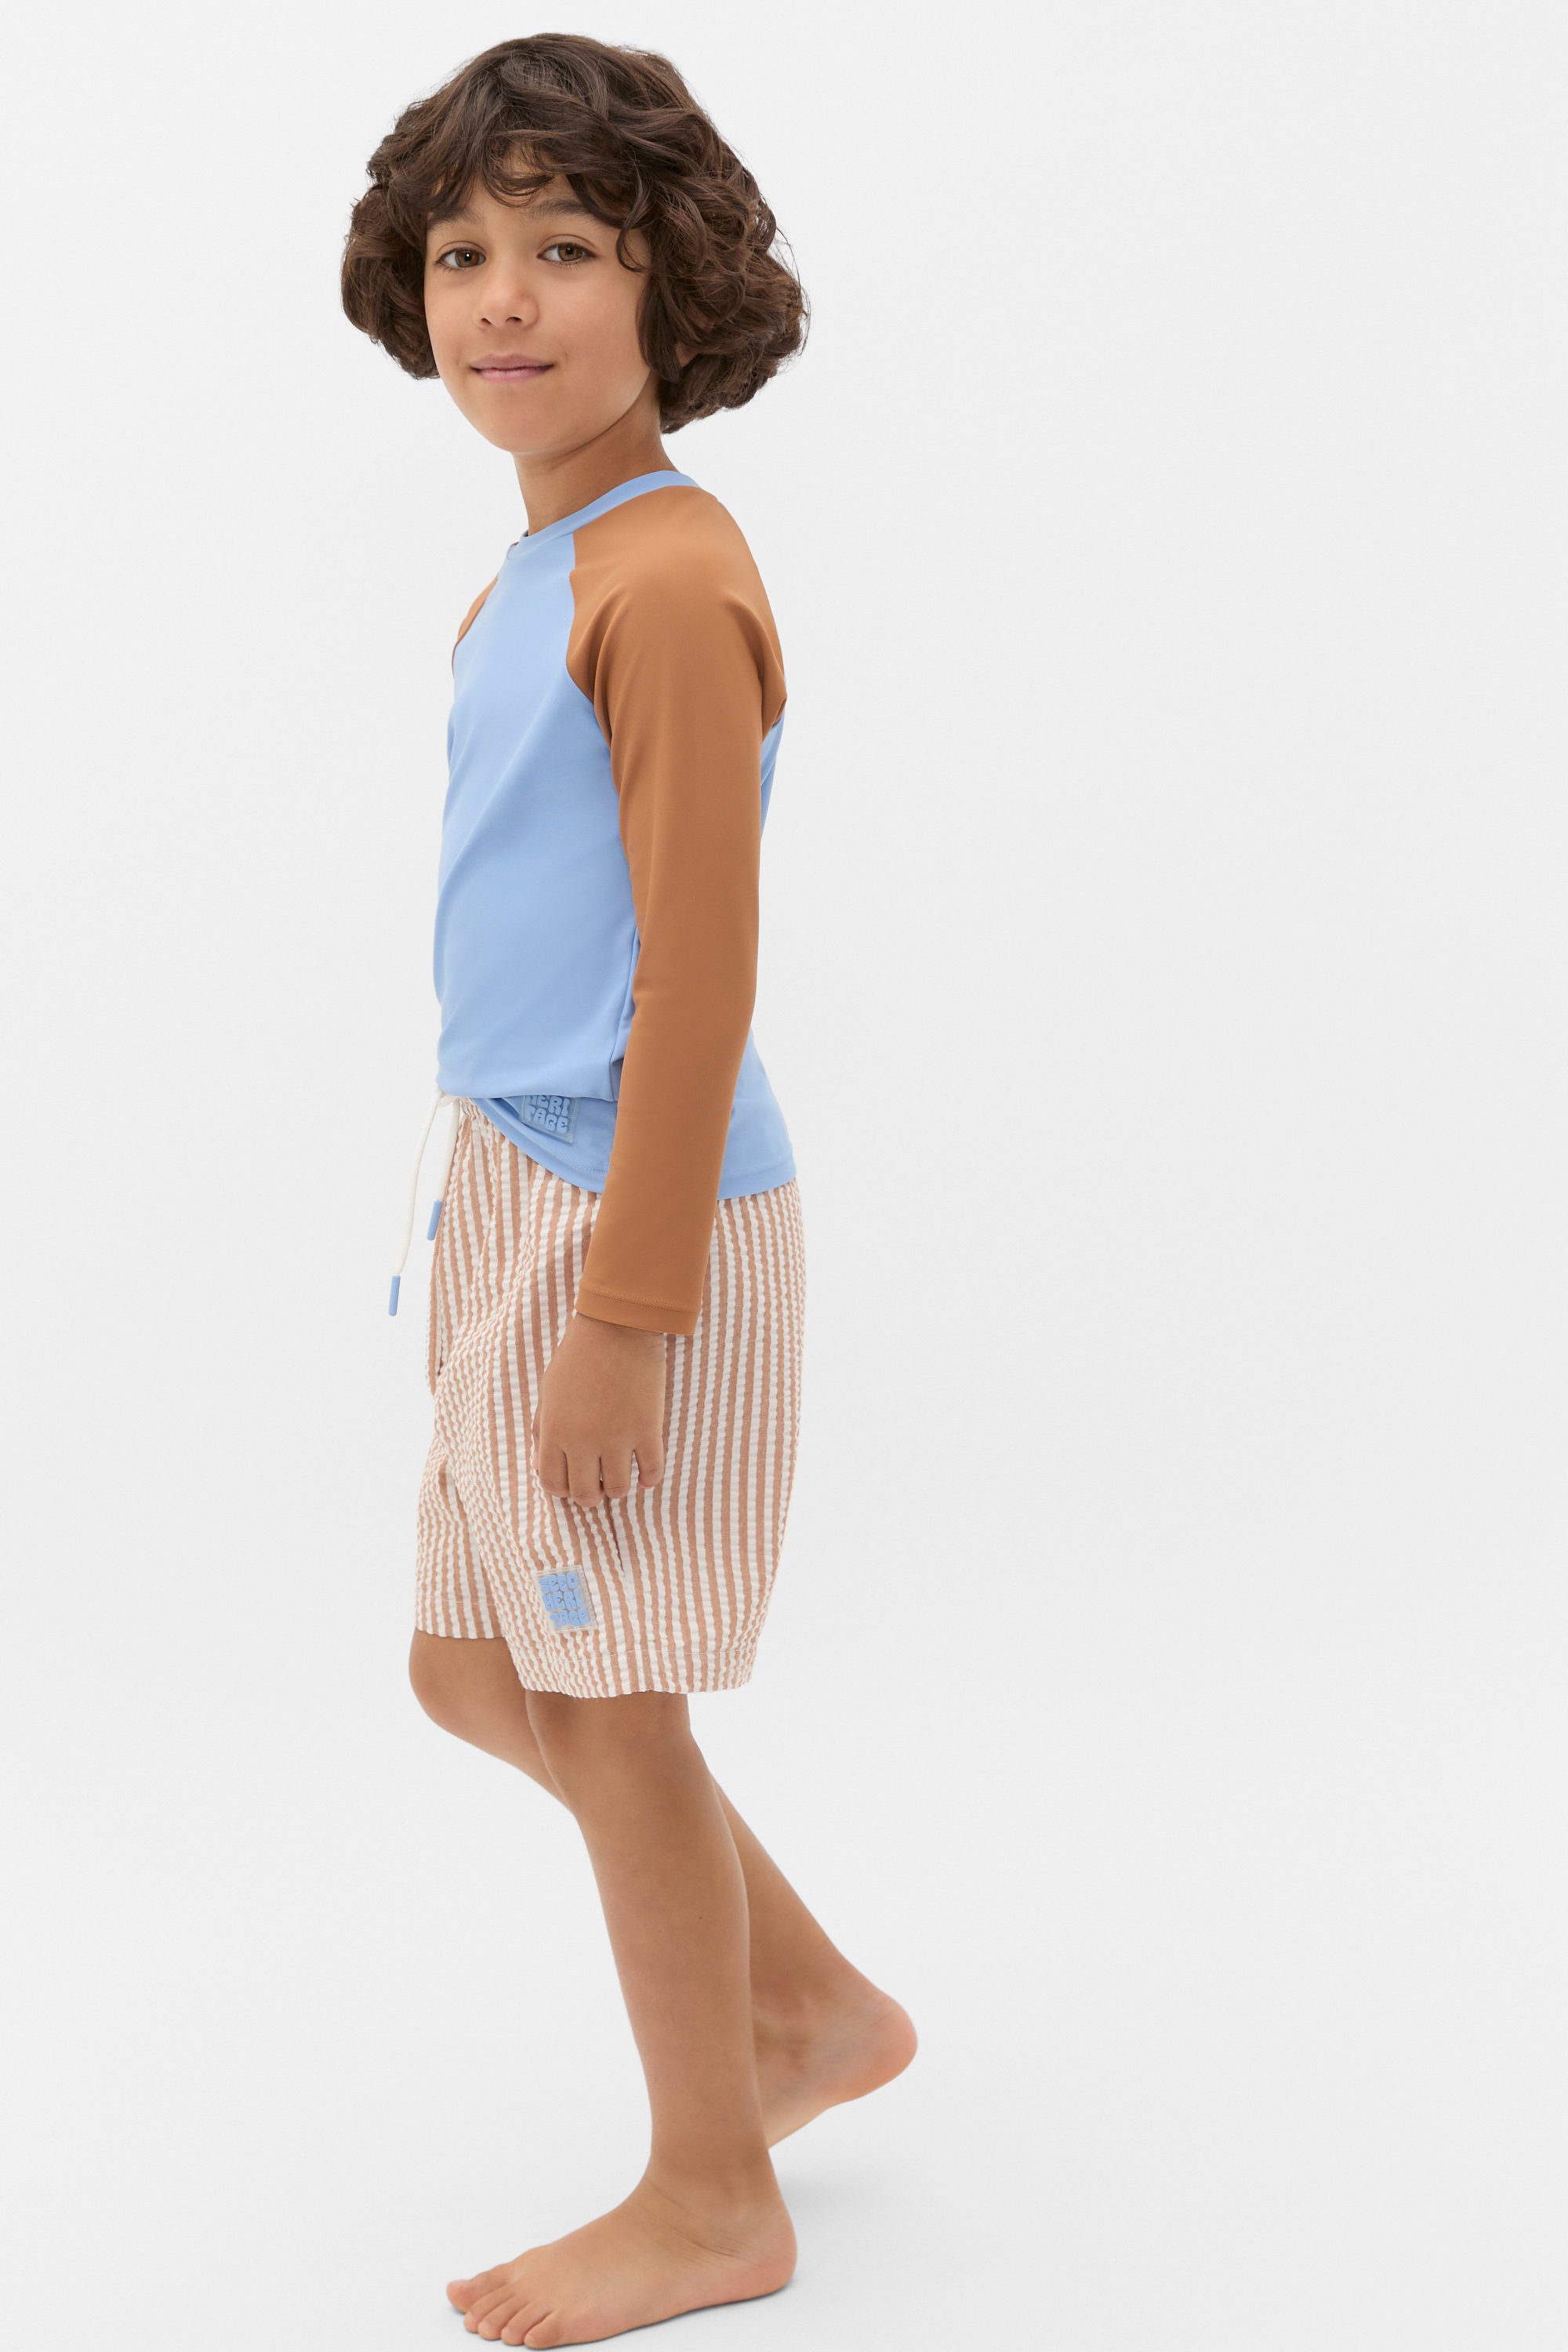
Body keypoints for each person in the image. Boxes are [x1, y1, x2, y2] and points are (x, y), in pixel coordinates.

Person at [340, 34, 915, 2349]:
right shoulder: (546, 563)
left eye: (567, 246)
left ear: (674, 282)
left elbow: (696, 979)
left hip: (627, 1217)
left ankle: (712, 2192)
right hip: (512, 1182)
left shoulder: (666, 579)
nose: (504, 297)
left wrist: (626, 1312)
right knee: (472, 1666)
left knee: (613, 1709)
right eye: (463, 251)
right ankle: (804, 2011)